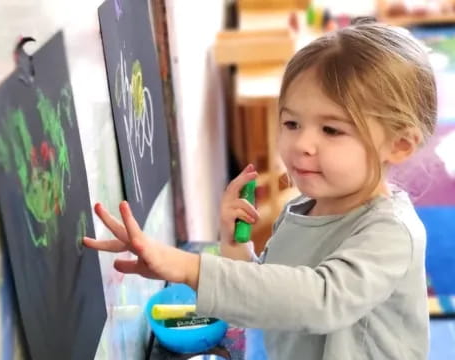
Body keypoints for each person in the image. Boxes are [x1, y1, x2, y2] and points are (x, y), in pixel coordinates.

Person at [84, 19, 437, 359]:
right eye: (291, 123)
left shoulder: (391, 234)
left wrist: (190, 268)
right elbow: (266, 299)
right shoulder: (303, 209)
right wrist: (236, 246)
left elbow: (321, 301)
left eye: (331, 130)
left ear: (400, 145)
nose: (302, 144)